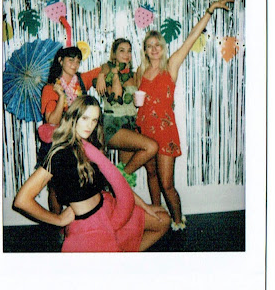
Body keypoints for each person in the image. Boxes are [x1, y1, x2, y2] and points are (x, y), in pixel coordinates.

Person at [14, 96, 170, 252]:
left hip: (107, 209)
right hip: (88, 226)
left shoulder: (88, 146)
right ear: (73, 117)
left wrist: (144, 206)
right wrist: (58, 220)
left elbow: (117, 182)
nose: (90, 125)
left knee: (163, 220)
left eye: (94, 120)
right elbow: (22, 200)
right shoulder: (60, 153)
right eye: (85, 118)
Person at [136, 0, 233, 230]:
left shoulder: (171, 65)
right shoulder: (140, 71)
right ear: (145, 50)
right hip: (144, 131)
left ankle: (178, 222)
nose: (154, 49)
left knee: (167, 183)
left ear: (163, 48)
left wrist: (209, 11)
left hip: (165, 133)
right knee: (151, 176)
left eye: (158, 44)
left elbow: (191, 39)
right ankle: (158, 217)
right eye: (150, 45)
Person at [38, 46, 101, 214]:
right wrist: (61, 98)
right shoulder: (50, 88)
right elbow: (52, 120)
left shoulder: (81, 80)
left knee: (83, 183)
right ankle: (57, 223)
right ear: (60, 61)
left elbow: (103, 68)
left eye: (78, 61)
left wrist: (101, 77)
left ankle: (82, 221)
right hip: (58, 144)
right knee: (55, 187)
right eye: (71, 60)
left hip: (80, 143)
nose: (75, 65)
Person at [93, 38, 158, 187]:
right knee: (151, 147)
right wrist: (108, 73)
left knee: (129, 175)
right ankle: (114, 180)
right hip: (113, 125)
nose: (126, 54)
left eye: (129, 51)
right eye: (122, 50)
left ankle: (118, 187)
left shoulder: (133, 75)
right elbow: (116, 96)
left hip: (130, 124)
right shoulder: (107, 71)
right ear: (114, 54)